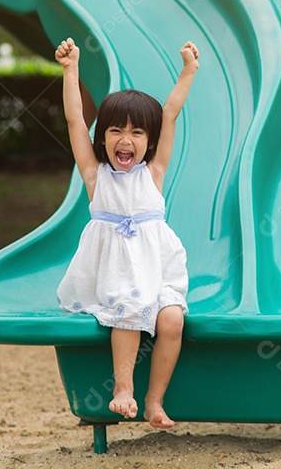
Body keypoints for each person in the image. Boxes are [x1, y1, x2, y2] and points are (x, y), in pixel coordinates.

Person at [54, 36, 199, 429]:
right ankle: (123, 388)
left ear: (149, 143)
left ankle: (154, 401)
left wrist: (188, 71)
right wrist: (71, 71)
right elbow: (74, 121)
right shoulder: (95, 176)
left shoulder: (153, 174)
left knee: (172, 321)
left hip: (158, 270)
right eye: (116, 130)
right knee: (128, 309)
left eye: (137, 133)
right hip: (117, 274)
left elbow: (169, 114)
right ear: (102, 138)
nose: (125, 140)